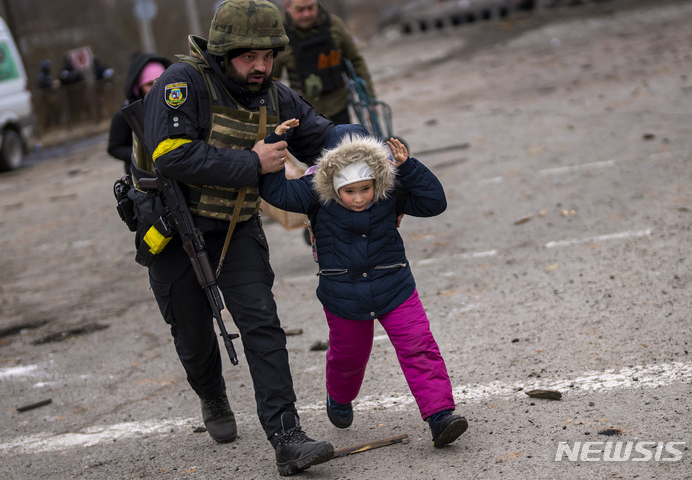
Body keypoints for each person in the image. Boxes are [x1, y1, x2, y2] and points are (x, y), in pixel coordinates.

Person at [137, 0, 335, 475]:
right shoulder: (180, 84)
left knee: (262, 323)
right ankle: (212, 395)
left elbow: (323, 137)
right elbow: (170, 156)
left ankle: (287, 436)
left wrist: (373, 154)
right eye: (249, 57)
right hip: (173, 228)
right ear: (224, 53)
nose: (261, 66)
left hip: (236, 224)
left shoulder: (275, 95)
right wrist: (253, 163)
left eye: (268, 56)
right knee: (193, 334)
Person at [259, 125, 469, 449]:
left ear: (376, 178)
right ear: (331, 180)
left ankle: (440, 416)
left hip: (395, 286)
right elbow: (275, 192)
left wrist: (409, 168)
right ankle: (339, 397)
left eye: (365, 188)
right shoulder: (313, 192)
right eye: (349, 191)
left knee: (419, 346)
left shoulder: (390, 188)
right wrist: (273, 145)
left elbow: (434, 203)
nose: (358, 198)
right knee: (348, 358)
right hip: (343, 296)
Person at [273, 0, 375, 125]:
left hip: (339, 107)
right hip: (304, 114)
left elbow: (356, 62)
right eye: (300, 9)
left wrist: (371, 101)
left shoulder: (334, 25)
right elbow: (272, 79)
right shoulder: (280, 36)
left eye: (311, 8)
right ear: (288, 6)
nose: (306, 14)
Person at [107, 53, 171, 174]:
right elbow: (114, 148)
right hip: (142, 176)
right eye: (149, 84)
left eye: (160, 81)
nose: (156, 87)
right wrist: (141, 155)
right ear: (138, 87)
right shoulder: (125, 115)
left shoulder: (177, 106)